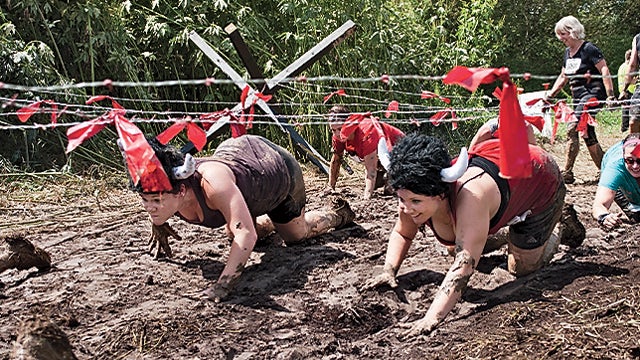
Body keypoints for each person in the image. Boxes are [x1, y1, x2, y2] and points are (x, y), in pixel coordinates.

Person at [362, 133, 566, 337]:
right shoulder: (411, 193)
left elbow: (464, 264)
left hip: (540, 177)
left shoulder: (470, 197)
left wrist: (431, 317)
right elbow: (403, 233)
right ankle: (499, 233)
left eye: (416, 201)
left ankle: (559, 227)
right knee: (454, 245)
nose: (407, 208)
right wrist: (389, 270)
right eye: (402, 199)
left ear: (441, 194)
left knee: (521, 268)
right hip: (499, 188)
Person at [138, 135, 355, 301]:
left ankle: (337, 214)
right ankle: (272, 223)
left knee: (295, 236)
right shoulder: (166, 192)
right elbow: (155, 190)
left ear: (182, 190)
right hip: (246, 178)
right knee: (243, 233)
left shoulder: (213, 184)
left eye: (156, 201)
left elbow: (246, 234)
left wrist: (222, 285)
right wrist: (158, 224)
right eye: (145, 200)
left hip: (276, 171)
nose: (150, 208)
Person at [545, 15, 616, 184]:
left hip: (592, 94)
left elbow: (604, 69)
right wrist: (550, 96)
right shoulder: (567, 53)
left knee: (573, 128)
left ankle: (567, 172)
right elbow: (563, 76)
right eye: (559, 35)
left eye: (563, 34)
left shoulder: (589, 49)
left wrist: (611, 94)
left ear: (573, 31)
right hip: (578, 98)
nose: (561, 38)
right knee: (587, 134)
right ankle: (607, 170)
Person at [327, 105, 405, 199]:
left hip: (402, 153)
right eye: (333, 130)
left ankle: (393, 175)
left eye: (340, 129)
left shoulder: (366, 132)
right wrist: (330, 187)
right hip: (381, 159)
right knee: (375, 184)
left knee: (391, 191)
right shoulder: (338, 137)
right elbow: (336, 160)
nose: (337, 134)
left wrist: (367, 197)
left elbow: (370, 170)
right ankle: (385, 176)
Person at [592, 133, 640, 229]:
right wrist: (604, 217)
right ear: (623, 157)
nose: (635, 166)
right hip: (622, 184)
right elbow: (599, 205)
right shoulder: (615, 168)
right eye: (629, 160)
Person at [619, 33, 640, 134]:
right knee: (633, 121)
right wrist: (624, 90)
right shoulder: (637, 38)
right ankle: (634, 147)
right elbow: (632, 65)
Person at [617, 50, 637, 133]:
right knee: (631, 111)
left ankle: (624, 128)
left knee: (625, 110)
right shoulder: (628, 67)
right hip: (629, 91)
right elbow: (629, 79)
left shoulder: (621, 66)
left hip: (622, 90)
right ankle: (626, 128)